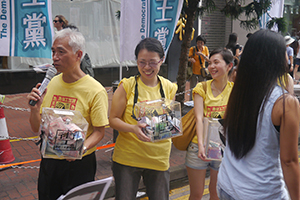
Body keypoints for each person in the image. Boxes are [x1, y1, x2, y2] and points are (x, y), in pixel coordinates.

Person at [27, 28, 109, 200]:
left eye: (61, 52)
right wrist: (34, 109)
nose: (55, 57)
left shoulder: (95, 90)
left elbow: (100, 132)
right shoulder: (50, 84)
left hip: (80, 164)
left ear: (78, 55)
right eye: (53, 51)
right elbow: (36, 128)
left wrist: (80, 149)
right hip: (50, 161)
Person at [218, 29, 300, 200]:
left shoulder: (239, 91)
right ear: (274, 58)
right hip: (262, 193)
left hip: (227, 186)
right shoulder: (285, 103)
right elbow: (289, 161)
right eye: (284, 51)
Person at [109, 37, 178, 200]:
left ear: (162, 60)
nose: (147, 67)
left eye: (153, 62)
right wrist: (132, 128)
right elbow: (113, 119)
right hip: (128, 158)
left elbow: (170, 121)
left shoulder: (169, 87)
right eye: (142, 62)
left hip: (158, 158)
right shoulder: (127, 86)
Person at [185, 48, 234, 200]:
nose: (211, 66)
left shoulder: (235, 90)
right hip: (198, 147)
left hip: (223, 149)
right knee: (196, 194)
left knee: (216, 193)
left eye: (216, 62)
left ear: (229, 66)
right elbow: (199, 118)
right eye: (210, 63)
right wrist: (201, 145)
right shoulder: (202, 88)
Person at [188, 35, 210, 100]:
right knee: (192, 87)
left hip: (202, 71)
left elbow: (208, 60)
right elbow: (187, 57)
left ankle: (203, 99)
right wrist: (191, 59)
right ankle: (191, 101)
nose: (200, 44)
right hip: (194, 71)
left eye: (201, 43)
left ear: (204, 43)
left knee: (203, 87)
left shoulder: (205, 49)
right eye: (198, 42)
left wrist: (201, 54)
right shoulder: (193, 49)